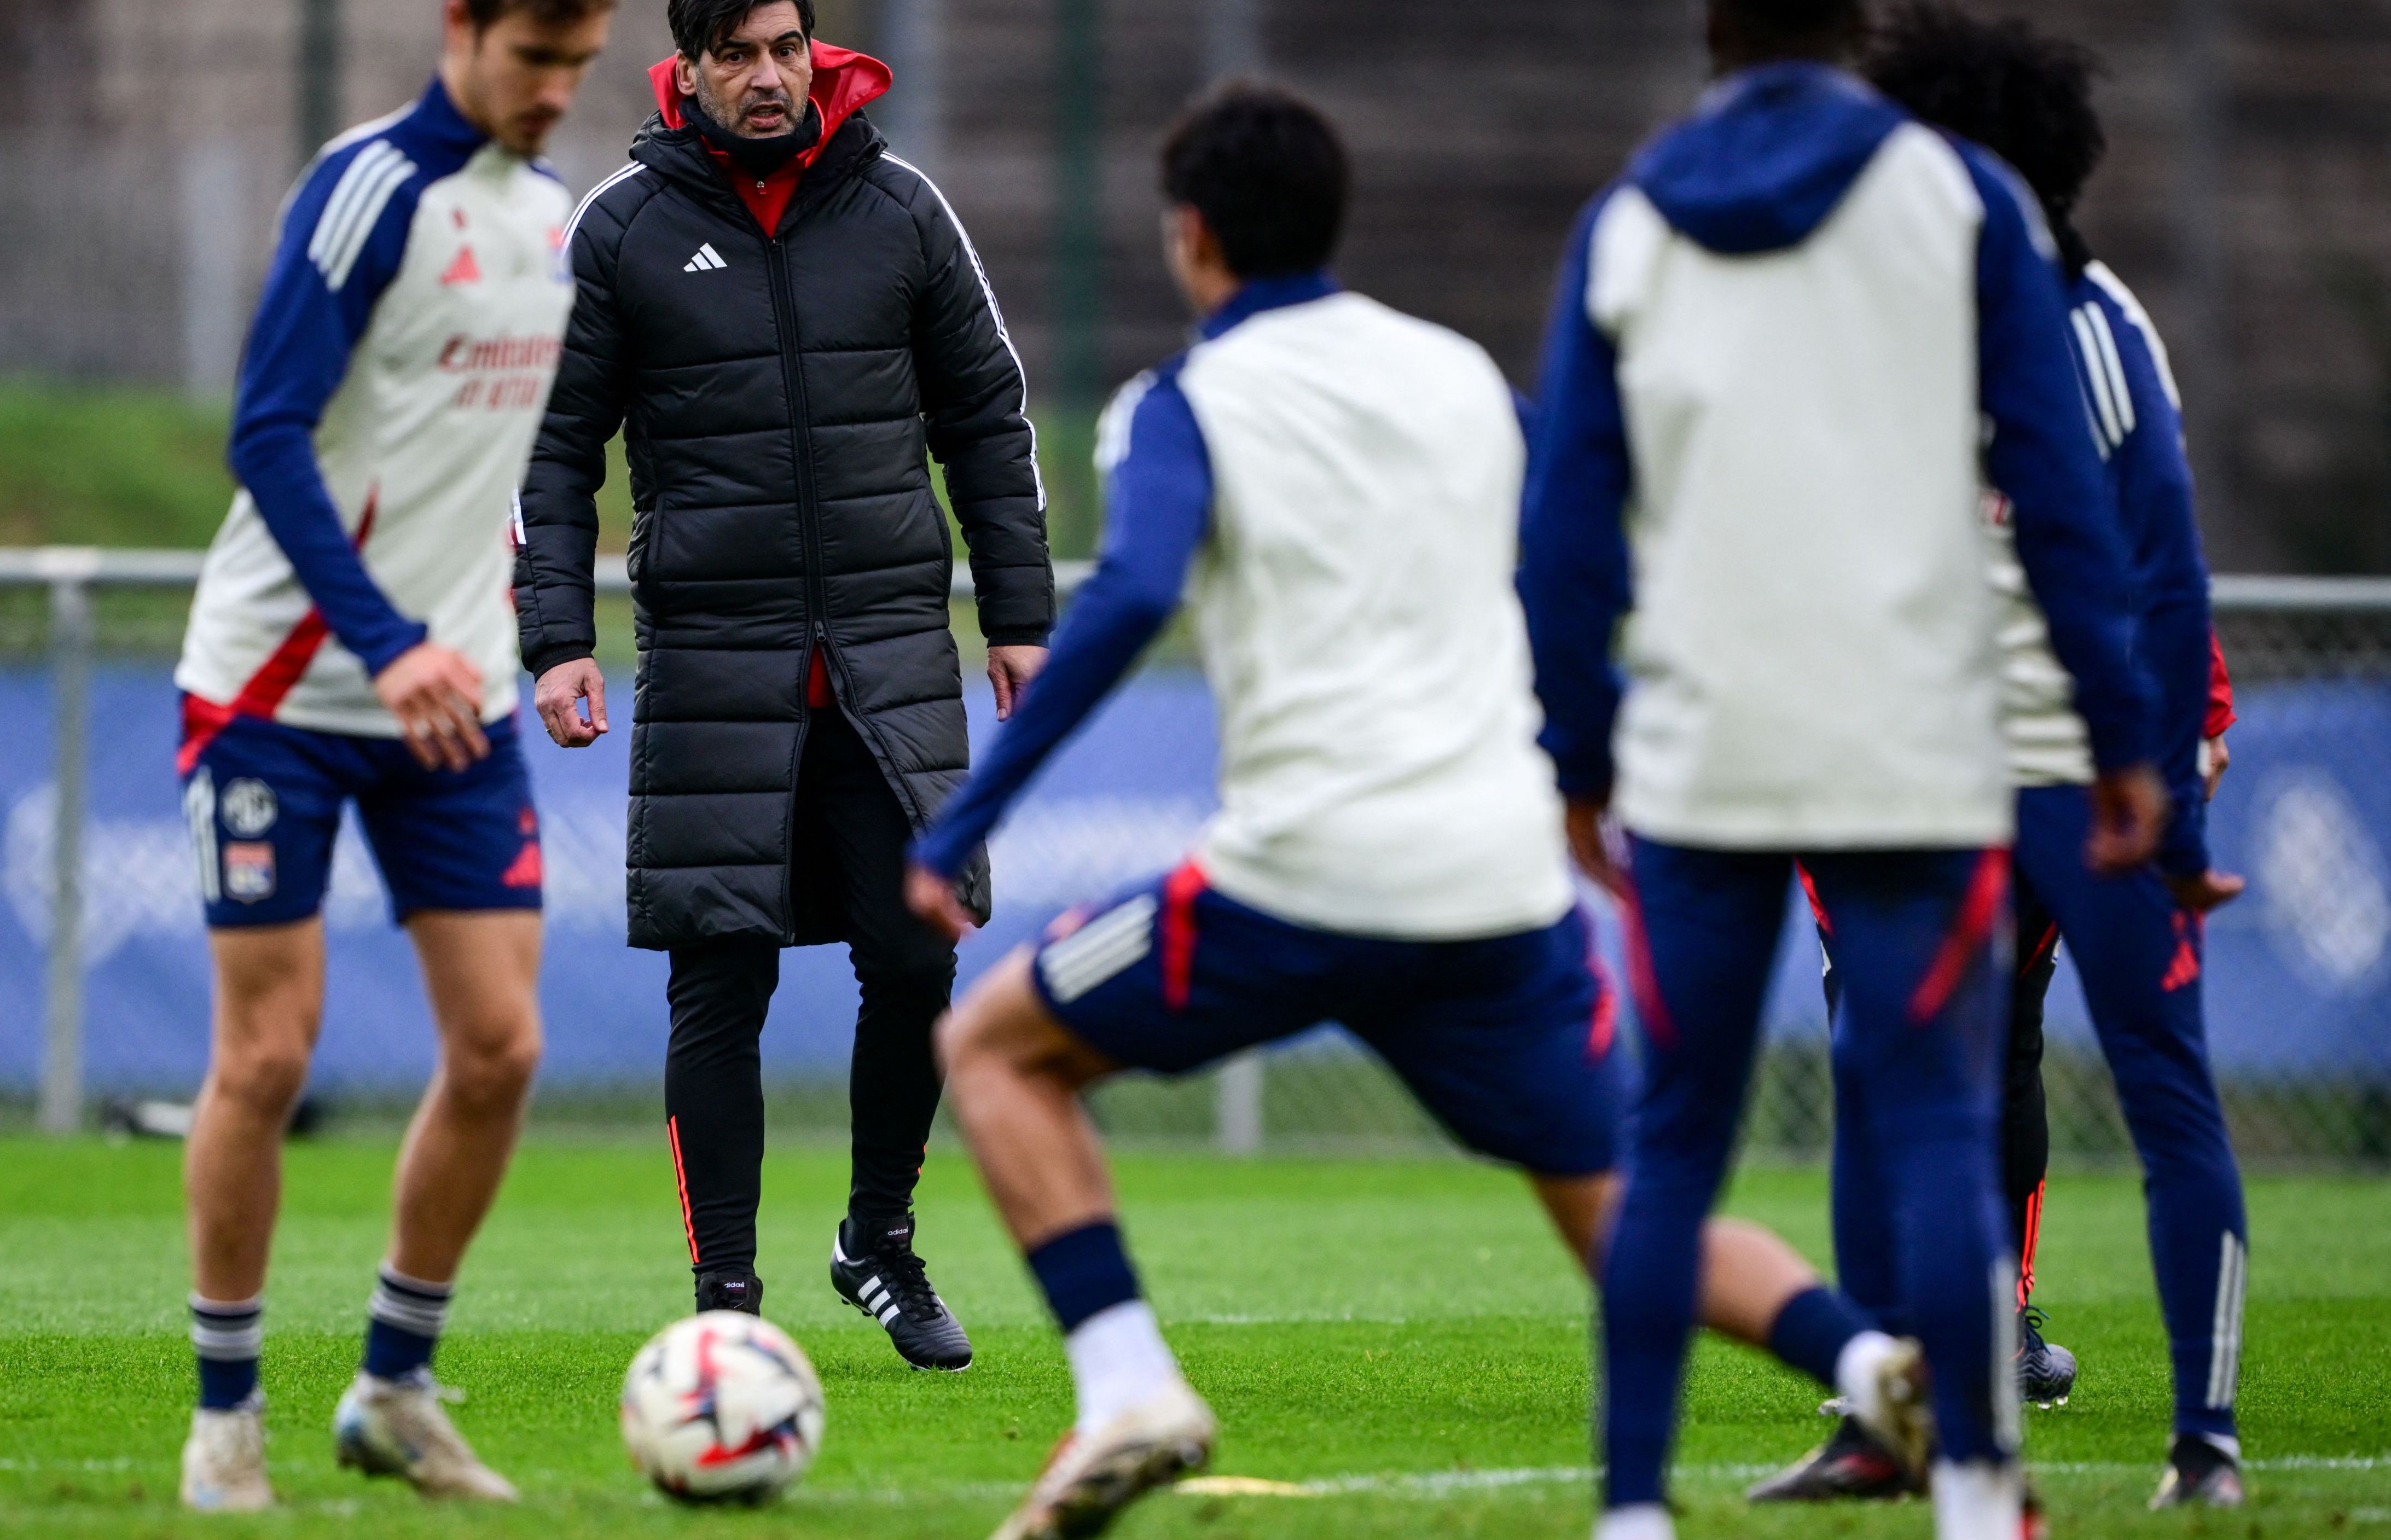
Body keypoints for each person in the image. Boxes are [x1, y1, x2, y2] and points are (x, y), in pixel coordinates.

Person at [909, 86, 1911, 1540]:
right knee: (1616, 1216)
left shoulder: (1183, 403)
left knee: (993, 1047)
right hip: (1491, 888)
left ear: (1190, 239)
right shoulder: (1458, 379)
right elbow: (1583, 567)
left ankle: (1128, 1387)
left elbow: (1132, 591)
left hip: (1300, 881)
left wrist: (964, 818)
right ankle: (1874, 1365)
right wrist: (1591, 762)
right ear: (1335, 218)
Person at [1519, 0, 2174, 1534]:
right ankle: (1969, 1496)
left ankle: (1629, 1511)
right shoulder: (1962, 202)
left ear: (1711, 35)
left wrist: (1578, 749)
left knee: (1670, 1142)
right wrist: (2118, 727)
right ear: (1851, 34)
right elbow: (2052, 489)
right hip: (1909, 752)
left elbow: (1564, 522)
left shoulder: (1630, 218)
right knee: (1937, 1126)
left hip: (1700, 753)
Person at [1747, 5, 2253, 1510]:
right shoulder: (1871, 317)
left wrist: (2161, 777)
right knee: (1878, 1068)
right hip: (1910, 780)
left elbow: (2161, 574)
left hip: (2081, 788)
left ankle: (2204, 1442)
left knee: (2159, 1086)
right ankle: (1880, 1416)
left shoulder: (2093, 327)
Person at [512, 0, 1051, 1370]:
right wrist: (556, 634)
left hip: (888, 652)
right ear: (686, 67)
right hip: (711, 658)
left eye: (787, 49)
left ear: (819, 54)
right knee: (720, 978)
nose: (769, 78)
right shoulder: (622, 226)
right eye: (738, 56)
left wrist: (1021, 612)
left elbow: (988, 414)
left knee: (919, 955)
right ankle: (728, 1304)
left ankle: (877, 1239)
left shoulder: (906, 208)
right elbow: (550, 450)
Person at [167, 0, 616, 1510]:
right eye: (535, 57)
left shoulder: (548, 216)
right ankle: (227, 1419)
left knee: (501, 1049)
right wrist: (383, 634)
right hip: (281, 690)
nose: (557, 89)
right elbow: (268, 433)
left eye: (580, 62)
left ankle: (393, 1389)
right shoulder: (368, 190)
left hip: (456, 700)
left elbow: (480, 456)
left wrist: (502, 631)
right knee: (269, 1055)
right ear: (462, 29)